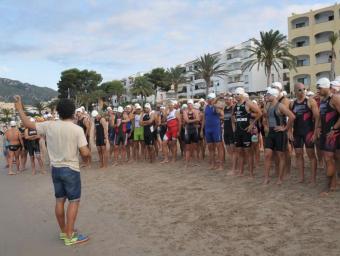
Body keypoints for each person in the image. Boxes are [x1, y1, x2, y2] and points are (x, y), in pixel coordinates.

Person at [14, 95, 90, 245]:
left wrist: (19, 108)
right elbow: (85, 152)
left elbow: (28, 124)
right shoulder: (77, 129)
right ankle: (70, 235)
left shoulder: (49, 125)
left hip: (55, 169)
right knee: (74, 201)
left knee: (59, 200)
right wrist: (86, 154)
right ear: (73, 113)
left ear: (58, 112)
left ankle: (64, 232)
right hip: (71, 169)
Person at [263, 88, 295, 185]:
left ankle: (280, 179)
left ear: (274, 96)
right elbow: (266, 117)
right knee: (267, 154)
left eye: (268, 95)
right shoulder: (268, 106)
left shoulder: (280, 106)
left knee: (281, 155)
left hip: (279, 133)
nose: (266, 96)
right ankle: (266, 178)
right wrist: (267, 126)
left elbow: (292, 116)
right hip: (271, 132)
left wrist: (285, 128)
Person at [290, 83, 319, 184]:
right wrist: (289, 131)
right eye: (299, 90)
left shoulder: (310, 101)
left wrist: (315, 132)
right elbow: (290, 119)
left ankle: (313, 178)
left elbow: (317, 118)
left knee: (311, 154)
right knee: (298, 154)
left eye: (304, 89)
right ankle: (301, 178)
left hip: (308, 132)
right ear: (294, 91)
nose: (302, 91)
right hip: (297, 132)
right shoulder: (292, 104)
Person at [316, 78, 340, 195]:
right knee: (332, 159)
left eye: (319, 88)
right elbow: (322, 116)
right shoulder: (323, 100)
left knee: (328, 158)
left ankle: (328, 187)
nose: (318, 90)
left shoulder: (334, 98)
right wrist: (319, 127)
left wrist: (334, 128)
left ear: (326, 87)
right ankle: (334, 184)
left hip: (333, 134)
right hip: (326, 133)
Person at [232, 88, 262, 177]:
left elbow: (259, 113)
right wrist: (234, 127)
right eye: (235, 94)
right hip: (238, 131)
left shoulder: (248, 103)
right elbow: (232, 117)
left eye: (237, 94)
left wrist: (252, 125)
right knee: (239, 151)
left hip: (246, 131)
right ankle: (241, 172)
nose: (236, 96)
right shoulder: (235, 106)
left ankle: (251, 173)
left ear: (242, 94)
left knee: (248, 152)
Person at [202, 93, 224, 170]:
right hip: (208, 129)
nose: (208, 100)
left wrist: (219, 118)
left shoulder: (216, 107)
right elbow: (204, 119)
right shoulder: (206, 107)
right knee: (210, 148)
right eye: (208, 98)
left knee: (219, 147)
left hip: (216, 129)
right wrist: (202, 130)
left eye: (210, 98)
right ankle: (213, 164)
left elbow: (222, 114)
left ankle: (220, 165)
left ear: (213, 99)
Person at [183, 99, 200, 169]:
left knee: (195, 147)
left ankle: (196, 162)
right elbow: (186, 120)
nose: (190, 105)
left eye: (191, 104)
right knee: (187, 148)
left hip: (194, 130)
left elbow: (198, 119)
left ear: (192, 104)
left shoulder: (195, 111)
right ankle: (187, 163)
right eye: (188, 104)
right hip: (188, 130)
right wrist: (194, 120)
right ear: (187, 105)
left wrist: (190, 121)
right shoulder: (185, 111)